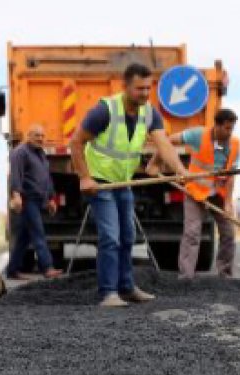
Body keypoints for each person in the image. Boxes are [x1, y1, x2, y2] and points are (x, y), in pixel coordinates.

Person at [69, 62, 190, 307]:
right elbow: (76, 142)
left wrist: (179, 168)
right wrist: (84, 177)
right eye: (139, 89)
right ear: (125, 87)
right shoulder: (104, 111)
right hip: (101, 182)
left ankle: (126, 287)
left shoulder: (149, 113)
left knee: (128, 236)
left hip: (123, 182)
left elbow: (163, 143)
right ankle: (108, 293)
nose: (145, 94)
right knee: (111, 237)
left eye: (148, 89)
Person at [147, 108, 240, 278]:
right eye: (227, 128)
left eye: (232, 128)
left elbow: (231, 176)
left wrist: (227, 202)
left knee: (228, 233)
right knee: (192, 233)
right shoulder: (198, 135)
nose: (229, 132)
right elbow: (166, 142)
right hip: (195, 191)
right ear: (217, 126)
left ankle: (226, 275)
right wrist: (155, 163)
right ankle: (186, 277)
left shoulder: (235, 144)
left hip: (219, 194)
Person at [7, 124, 61, 280]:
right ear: (28, 136)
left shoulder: (40, 153)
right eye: (37, 135)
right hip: (27, 199)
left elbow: (46, 177)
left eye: (43, 136)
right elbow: (16, 176)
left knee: (24, 237)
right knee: (38, 233)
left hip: (39, 200)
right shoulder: (20, 153)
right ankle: (47, 267)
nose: (40, 139)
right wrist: (16, 195)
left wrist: (51, 198)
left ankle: (13, 269)